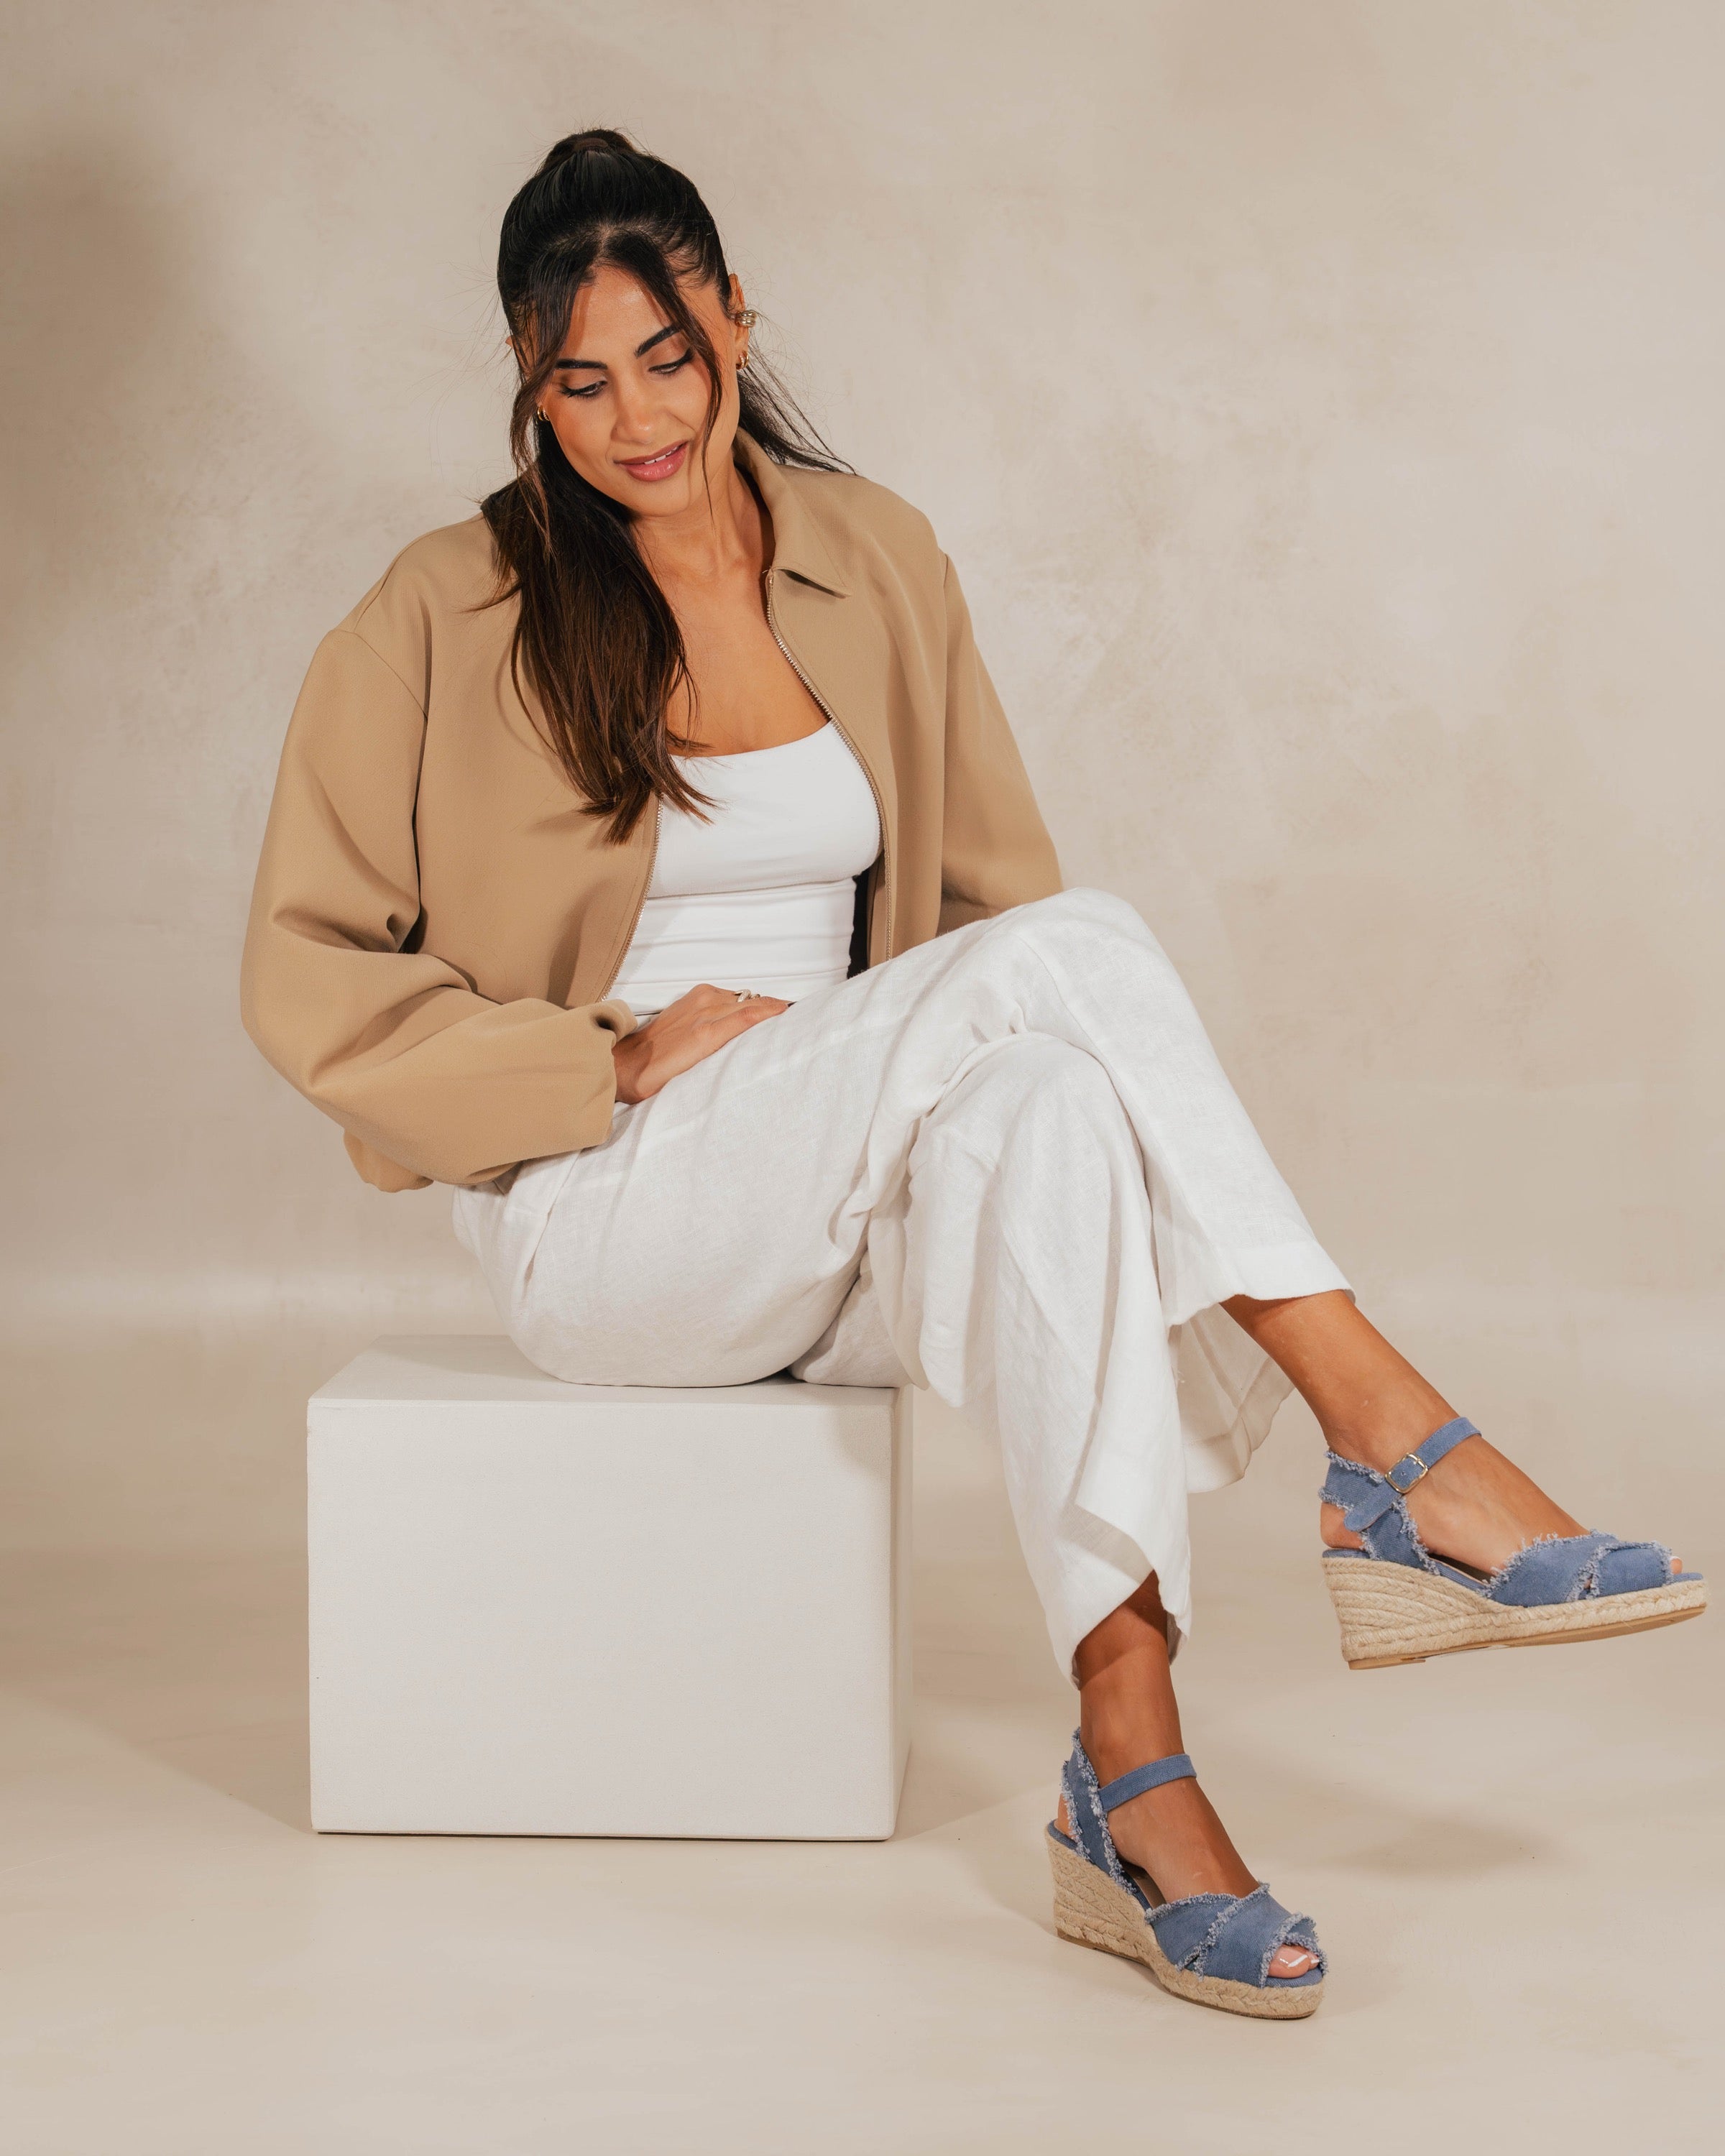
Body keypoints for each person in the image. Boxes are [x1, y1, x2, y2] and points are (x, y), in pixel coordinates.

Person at [242, 129, 1704, 2019]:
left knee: (1057, 1092)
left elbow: (1002, 923)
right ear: (529, 382)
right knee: (1069, 957)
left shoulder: (875, 558)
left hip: (851, 1202)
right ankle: (1392, 1444)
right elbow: (309, 986)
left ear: (735, 318)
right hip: (609, 1217)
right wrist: (607, 1058)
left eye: (667, 358)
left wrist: (970, 1089)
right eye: (578, 383)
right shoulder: (445, 609)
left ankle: (1132, 1769)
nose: (634, 421)